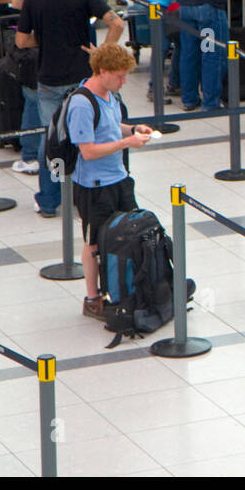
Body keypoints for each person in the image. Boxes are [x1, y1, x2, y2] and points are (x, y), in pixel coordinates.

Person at [15, 0, 124, 217]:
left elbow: (21, 40)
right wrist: (100, 54)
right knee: (88, 135)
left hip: (48, 78)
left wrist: (46, 37)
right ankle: (87, 194)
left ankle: (49, 200)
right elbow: (117, 24)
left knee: (51, 139)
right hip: (82, 79)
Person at [66, 42, 153, 319]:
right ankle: (93, 299)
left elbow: (112, 127)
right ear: (102, 71)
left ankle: (125, 289)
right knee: (95, 243)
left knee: (129, 235)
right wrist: (126, 142)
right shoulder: (81, 103)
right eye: (119, 75)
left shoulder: (109, 95)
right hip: (94, 186)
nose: (124, 81)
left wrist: (133, 129)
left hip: (119, 179)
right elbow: (88, 151)